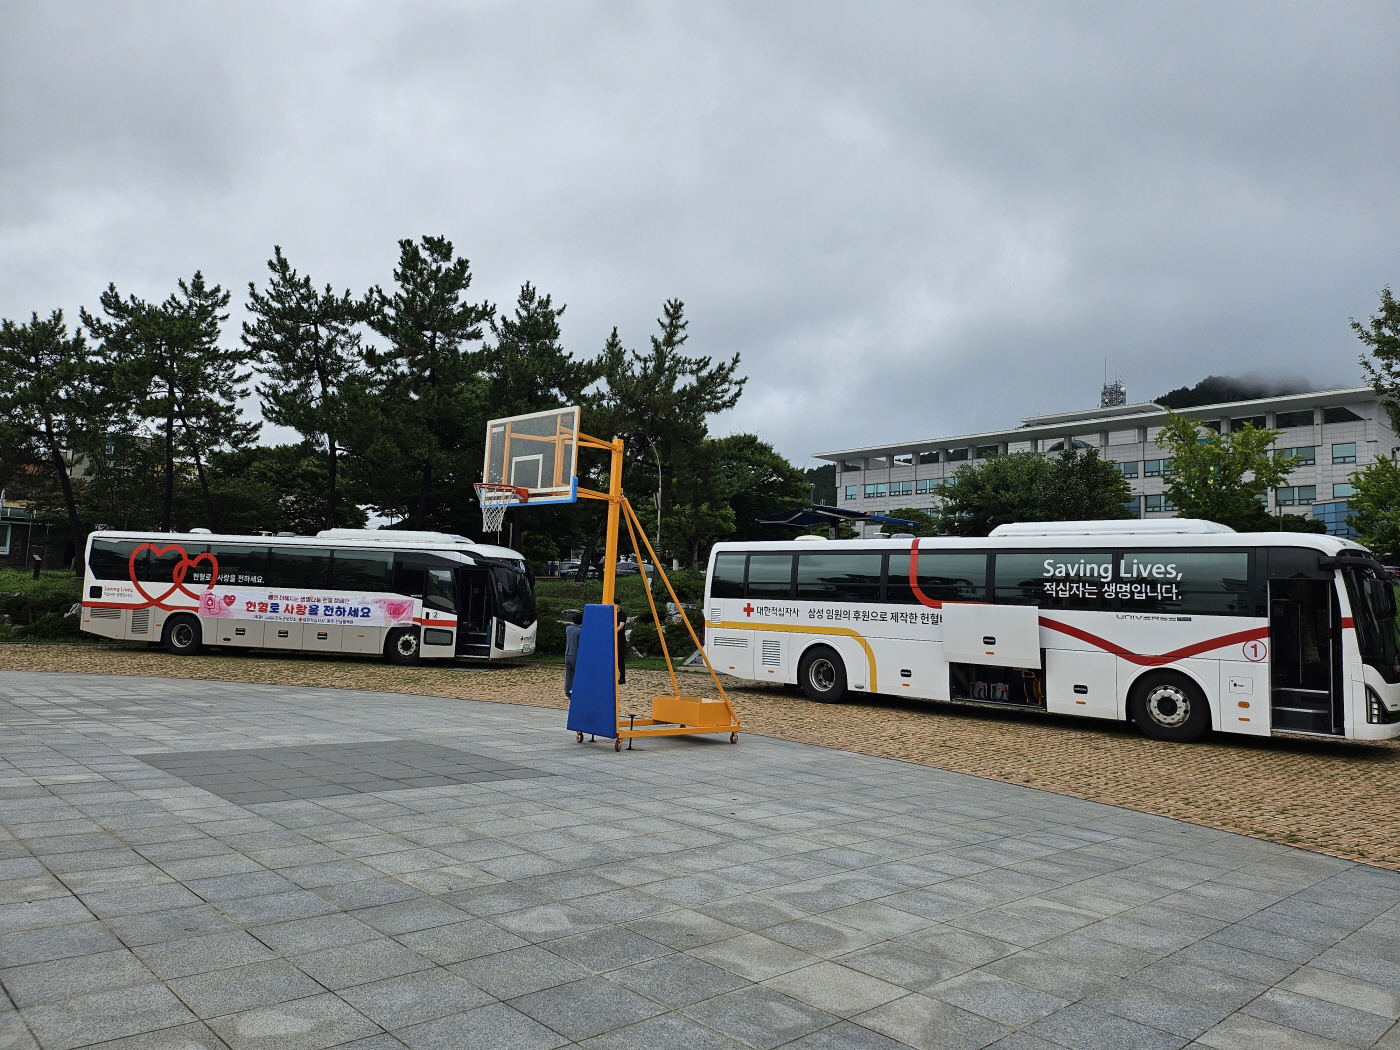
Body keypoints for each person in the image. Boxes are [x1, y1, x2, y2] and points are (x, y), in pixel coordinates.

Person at [564, 613, 583, 699]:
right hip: (575, 654)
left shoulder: (568, 628)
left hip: (567, 653)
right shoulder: (579, 631)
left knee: (569, 674)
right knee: (578, 673)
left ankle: (568, 691)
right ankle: (578, 690)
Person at [615, 604, 628, 684]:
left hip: (620, 639)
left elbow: (621, 626)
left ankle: (622, 678)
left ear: (618, 605)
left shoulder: (623, 614)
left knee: (620, 659)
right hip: (610, 638)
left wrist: (612, 632)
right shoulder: (609, 613)